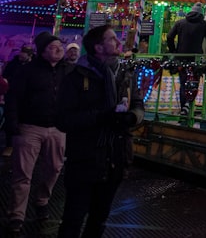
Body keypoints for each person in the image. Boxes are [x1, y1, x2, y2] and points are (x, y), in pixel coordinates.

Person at [55, 25, 144, 238]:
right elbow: (63, 119)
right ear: (98, 47)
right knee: (74, 218)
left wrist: (132, 117)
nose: (119, 43)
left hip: (115, 155)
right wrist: (101, 116)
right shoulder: (76, 77)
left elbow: (138, 103)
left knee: (99, 218)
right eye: (113, 39)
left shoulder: (124, 75)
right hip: (86, 156)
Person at [4, 33, 70, 236]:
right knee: (23, 173)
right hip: (29, 126)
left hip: (58, 128)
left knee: (55, 168)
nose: (58, 49)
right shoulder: (27, 72)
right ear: (42, 51)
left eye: (60, 46)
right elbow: (13, 97)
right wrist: (13, 124)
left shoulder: (68, 72)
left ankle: (42, 199)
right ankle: (17, 214)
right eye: (53, 47)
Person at [166, 3, 206, 116]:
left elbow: (169, 37)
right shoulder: (204, 24)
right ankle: (189, 105)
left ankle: (184, 106)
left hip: (181, 58)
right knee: (193, 82)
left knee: (183, 83)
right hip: (196, 58)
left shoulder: (180, 23)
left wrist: (174, 51)